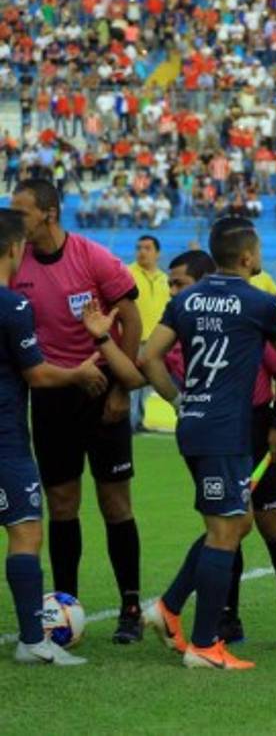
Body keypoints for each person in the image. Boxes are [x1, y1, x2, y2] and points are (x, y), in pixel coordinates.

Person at [139, 216, 276, 670]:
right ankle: (204, 645)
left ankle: (169, 608)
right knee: (225, 531)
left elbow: (149, 356)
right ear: (247, 257)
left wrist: (179, 400)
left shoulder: (186, 299)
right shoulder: (259, 302)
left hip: (196, 425)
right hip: (228, 430)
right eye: (258, 253)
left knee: (235, 523)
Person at [10, 178, 145, 643]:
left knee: (115, 503)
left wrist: (122, 391)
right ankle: (65, 607)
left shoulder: (92, 257)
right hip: (53, 396)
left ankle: (131, 607)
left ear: (49, 213)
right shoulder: (17, 263)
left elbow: (131, 318)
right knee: (63, 504)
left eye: (22, 211)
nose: (15, 220)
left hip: (102, 390)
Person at [0, 208, 107, 666]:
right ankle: (32, 641)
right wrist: (79, 373)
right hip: (5, 441)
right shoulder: (12, 306)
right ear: (14, 248)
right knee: (25, 532)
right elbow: (38, 374)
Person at [128, 235, 169, 433]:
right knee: (131, 383)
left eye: (147, 248)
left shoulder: (165, 279)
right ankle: (128, 422)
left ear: (157, 253)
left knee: (147, 385)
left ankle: (139, 421)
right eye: (139, 248)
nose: (142, 252)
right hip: (133, 340)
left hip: (156, 343)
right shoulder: (127, 274)